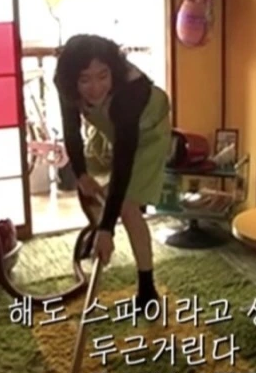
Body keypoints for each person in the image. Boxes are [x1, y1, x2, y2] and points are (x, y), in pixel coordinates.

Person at [54, 34, 172, 308]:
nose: (95, 87)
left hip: (148, 132)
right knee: (95, 191)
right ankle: (97, 230)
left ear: (113, 71)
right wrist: (81, 174)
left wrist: (108, 229)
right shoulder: (64, 83)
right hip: (111, 128)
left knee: (128, 206)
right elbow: (71, 129)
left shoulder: (129, 92)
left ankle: (147, 292)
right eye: (85, 79)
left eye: (102, 76)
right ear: (72, 79)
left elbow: (123, 161)